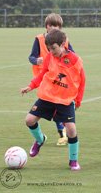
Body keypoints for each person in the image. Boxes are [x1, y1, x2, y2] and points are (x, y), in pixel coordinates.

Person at [20, 29, 86, 171]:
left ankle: (73, 161)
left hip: (65, 100)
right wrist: (30, 86)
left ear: (62, 44)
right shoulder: (50, 57)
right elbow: (42, 74)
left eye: (54, 48)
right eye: (49, 49)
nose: (51, 51)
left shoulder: (75, 60)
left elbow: (82, 81)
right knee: (29, 120)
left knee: (71, 130)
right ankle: (40, 140)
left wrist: (78, 101)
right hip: (47, 96)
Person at [28, 13, 75, 146]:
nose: (55, 28)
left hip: (58, 79)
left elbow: (72, 55)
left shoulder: (63, 40)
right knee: (52, 105)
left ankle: (62, 133)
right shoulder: (38, 39)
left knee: (56, 104)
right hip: (43, 78)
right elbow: (31, 57)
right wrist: (37, 60)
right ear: (47, 26)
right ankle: (57, 133)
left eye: (58, 26)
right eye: (53, 25)